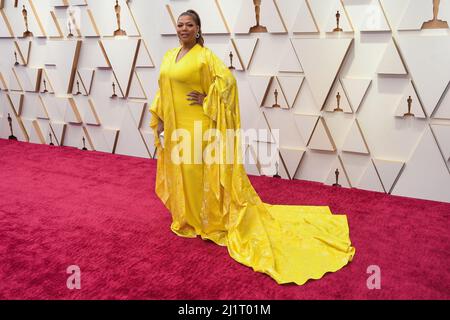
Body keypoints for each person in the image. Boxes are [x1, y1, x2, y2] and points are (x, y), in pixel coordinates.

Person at [149, 9, 355, 285]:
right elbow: (163, 88)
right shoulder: (168, 56)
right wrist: (160, 118)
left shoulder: (205, 57)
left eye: (189, 25)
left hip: (199, 126)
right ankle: (189, 219)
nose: (183, 29)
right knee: (184, 172)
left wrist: (208, 99)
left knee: (200, 173)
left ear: (198, 29)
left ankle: (208, 221)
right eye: (180, 24)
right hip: (176, 126)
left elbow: (228, 84)